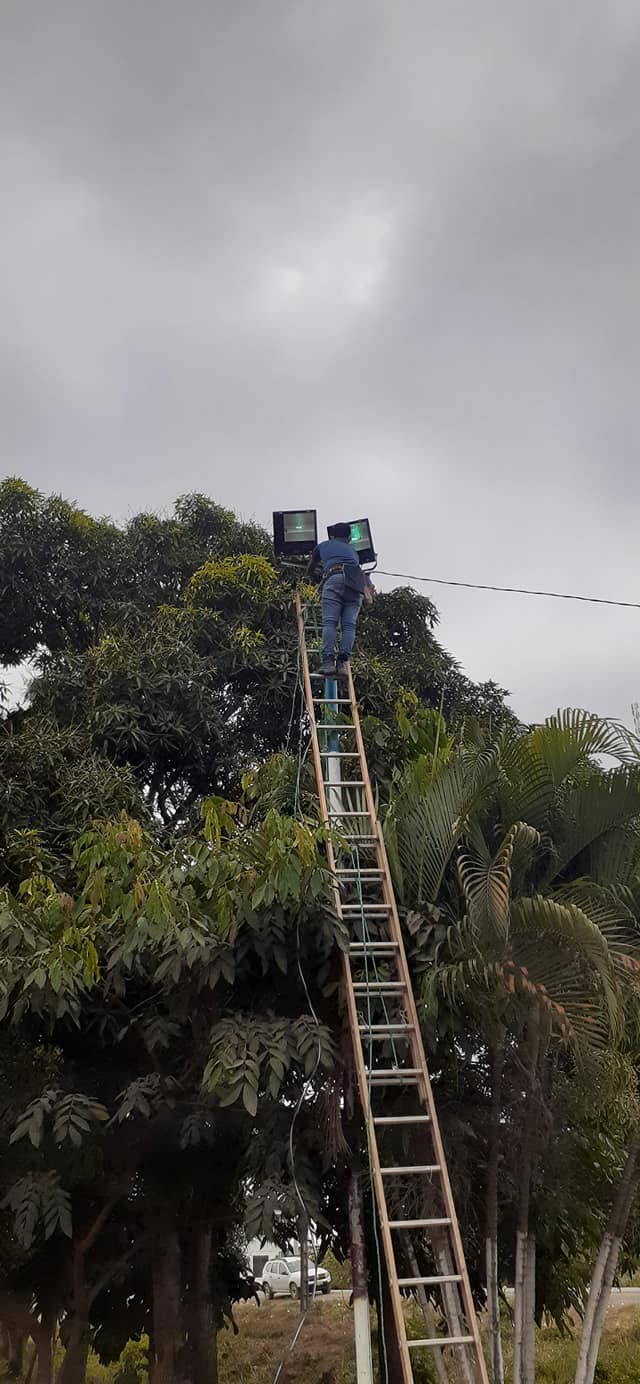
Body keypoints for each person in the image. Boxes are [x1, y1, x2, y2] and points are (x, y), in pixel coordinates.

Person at [306, 523, 368, 677]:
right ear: (349, 538)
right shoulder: (353, 552)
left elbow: (311, 565)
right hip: (355, 584)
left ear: (332, 536)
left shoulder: (324, 545)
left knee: (330, 623)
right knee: (349, 626)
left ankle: (328, 663)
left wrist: (312, 574)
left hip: (334, 579)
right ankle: (342, 664)